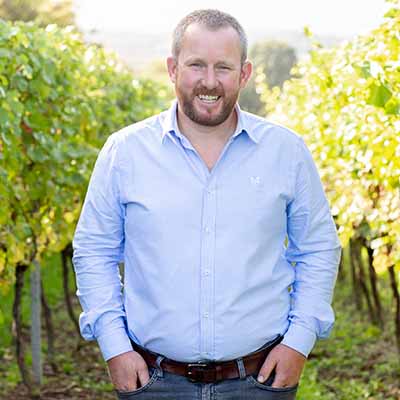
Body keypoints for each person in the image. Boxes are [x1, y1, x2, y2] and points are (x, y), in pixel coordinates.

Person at [72, 9, 341, 400]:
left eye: (224, 67)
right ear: (173, 68)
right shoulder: (125, 152)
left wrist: (298, 342)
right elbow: (94, 250)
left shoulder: (286, 151)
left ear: (244, 74)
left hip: (260, 382)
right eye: (196, 65)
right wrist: (114, 347)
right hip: (152, 383)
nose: (210, 81)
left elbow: (318, 248)